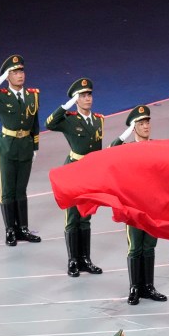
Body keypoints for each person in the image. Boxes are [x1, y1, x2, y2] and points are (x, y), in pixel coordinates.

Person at [0, 55, 41, 246]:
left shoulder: (32, 95)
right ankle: (10, 230)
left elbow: (34, 123)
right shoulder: (0, 96)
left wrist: (35, 146)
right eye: (14, 72)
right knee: (8, 191)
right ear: (7, 76)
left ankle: (23, 229)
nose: (20, 75)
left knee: (21, 190)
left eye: (21, 71)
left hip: (25, 146)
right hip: (7, 147)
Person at [46, 78, 104, 276]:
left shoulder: (98, 120)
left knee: (85, 216)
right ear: (76, 100)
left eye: (89, 95)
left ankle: (85, 259)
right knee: (72, 217)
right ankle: (73, 260)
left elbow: (98, 148)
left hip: (90, 172)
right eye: (82, 96)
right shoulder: (69, 119)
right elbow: (50, 123)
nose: (87, 99)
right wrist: (66, 105)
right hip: (73, 171)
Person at [111, 106, 166, 304]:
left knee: (149, 245)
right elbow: (111, 150)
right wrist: (126, 133)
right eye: (141, 124)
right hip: (133, 205)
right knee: (135, 246)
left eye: (147, 122)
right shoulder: (126, 149)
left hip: (152, 205)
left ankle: (148, 286)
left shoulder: (157, 147)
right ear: (134, 127)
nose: (146, 127)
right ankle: (135, 287)